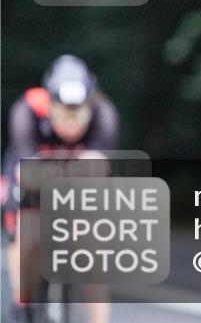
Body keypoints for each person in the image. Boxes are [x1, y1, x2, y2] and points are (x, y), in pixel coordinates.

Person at [2, 55, 118, 323]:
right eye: (64, 112)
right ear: (50, 105)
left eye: (78, 113)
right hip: (28, 180)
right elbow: (25, 173)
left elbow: (101, 169)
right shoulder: (27, 110)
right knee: (25, 235)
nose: (71, 122)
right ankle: (22, 302)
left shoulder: (104, 112)